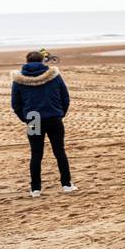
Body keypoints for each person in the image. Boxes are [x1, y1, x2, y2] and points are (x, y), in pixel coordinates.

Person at [11, 51, 76, 197]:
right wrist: (60, 113)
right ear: (42, 61)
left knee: (36, 153)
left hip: (34, 119)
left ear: (27, 61)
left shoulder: (19, 80)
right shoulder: (54, 76)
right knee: (59, 151)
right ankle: (66, 185)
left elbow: (16, 104)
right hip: (53, 118)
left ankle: (35, 189)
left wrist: (26, 118)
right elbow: (65, 97)